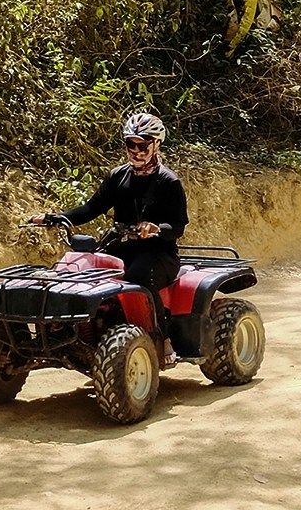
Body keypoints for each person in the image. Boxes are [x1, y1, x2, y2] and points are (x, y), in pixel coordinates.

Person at [33, 112, 188, 363]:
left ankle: (163, 338)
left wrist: (156, 228)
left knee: (138, 276)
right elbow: (92, 208)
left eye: (142, 145)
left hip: (159, 253)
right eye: (130, 144)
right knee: (78, 268)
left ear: (156, 144)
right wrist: (55, 217)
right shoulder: (118, 176)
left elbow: (178, 227)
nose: (135, 151)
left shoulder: (169, 182)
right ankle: (73, 330)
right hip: (121, 245)